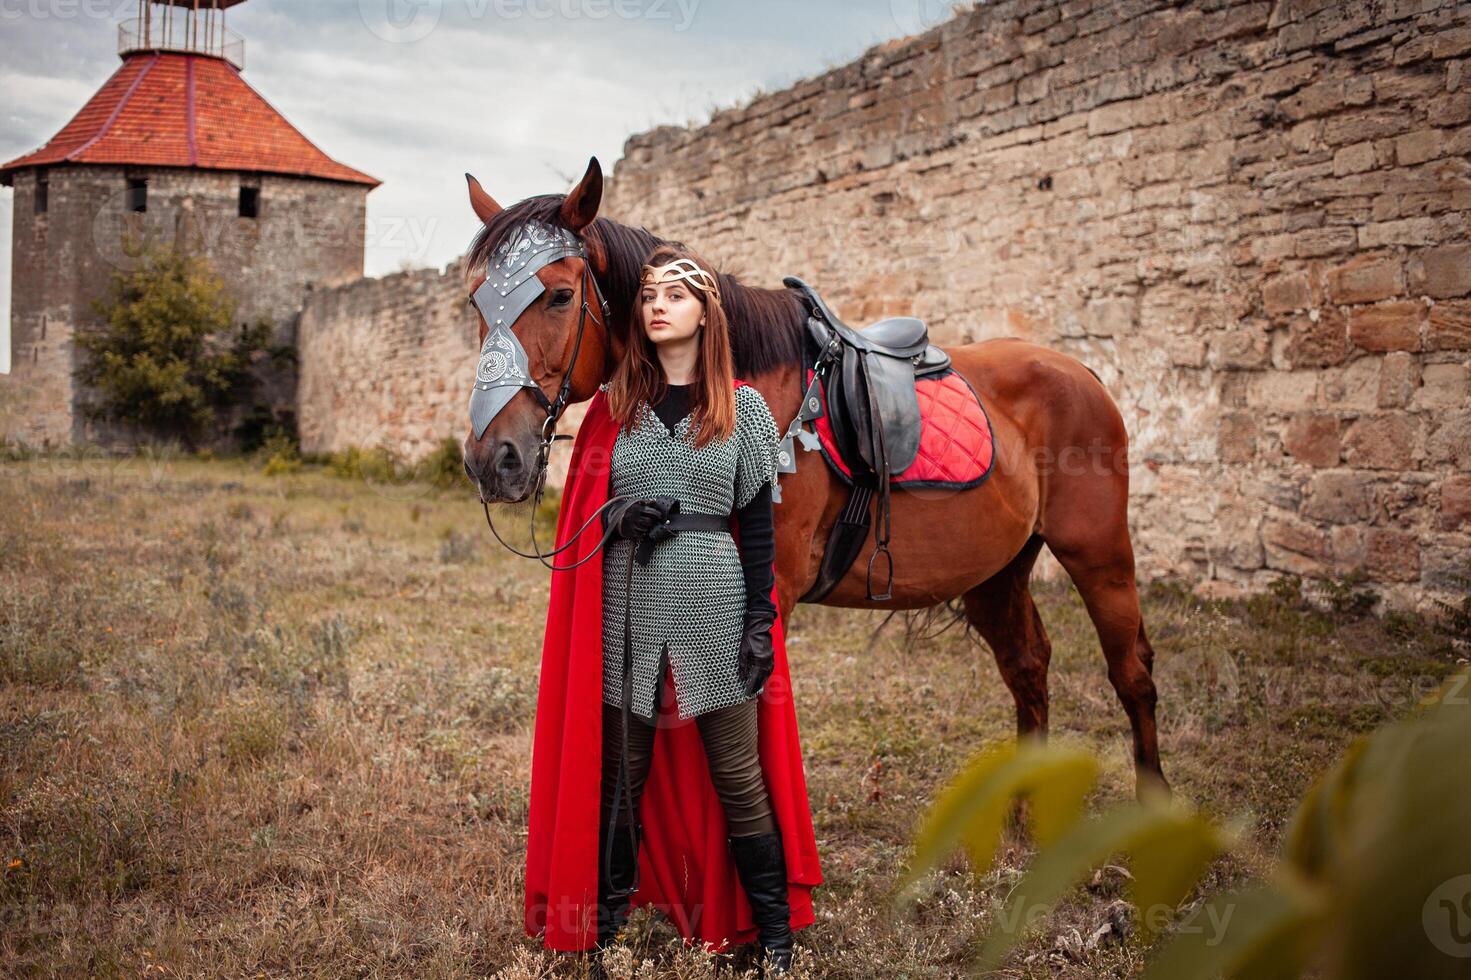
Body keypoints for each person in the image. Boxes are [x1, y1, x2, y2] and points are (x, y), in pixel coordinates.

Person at [523, 242, 822, 976]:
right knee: (621, 780)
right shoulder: (616, 407)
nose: (656, 305)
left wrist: (760, 621)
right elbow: (586, 511)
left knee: (738, 778)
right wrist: (617, 515)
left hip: (716, 599)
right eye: (650, 294)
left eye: (675, 295)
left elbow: (755, 527)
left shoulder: (743, 408)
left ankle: (774, 936)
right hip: (626, 604)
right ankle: (605, 928)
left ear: (705, 312)